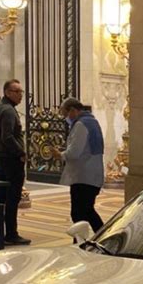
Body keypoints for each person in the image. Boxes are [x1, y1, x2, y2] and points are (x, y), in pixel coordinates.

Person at [0, 79, 31, 246]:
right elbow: (8, 137)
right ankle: (11, 233)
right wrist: (21, 153)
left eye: (21, 91)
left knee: (0, 196)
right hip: (10, 160)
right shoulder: (8, 111)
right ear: (7, 92)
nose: (20, 95)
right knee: (12, 198)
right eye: (17, 91)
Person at [53, 98, 104, 232]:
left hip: (83, 177)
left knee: (79, 214)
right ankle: (97, 237)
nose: (65, 118)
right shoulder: (92, 121)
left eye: (65, 114)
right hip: (91, 176)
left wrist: (60, 155)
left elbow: (75, 152)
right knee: (87, 211)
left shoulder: (81, 124)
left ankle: (83, 242)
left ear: (73, 110)